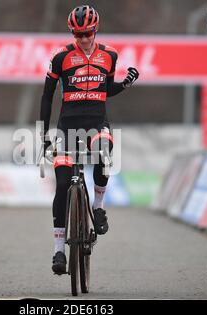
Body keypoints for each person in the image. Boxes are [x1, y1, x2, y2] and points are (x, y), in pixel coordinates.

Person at [39, 5, 139, 275]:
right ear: (73, 32)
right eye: (78, 34)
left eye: (88, 33)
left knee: (105, 153)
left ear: (95, 30)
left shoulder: (109, 56)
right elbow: (47, 96)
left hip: (96, 124)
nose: (83, 39)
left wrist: (125, 84)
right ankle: (59, 250)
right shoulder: (60, 57)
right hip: (67, 129)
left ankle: (98, 207)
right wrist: (43, 134)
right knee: (62, 185)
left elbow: (106, 90)